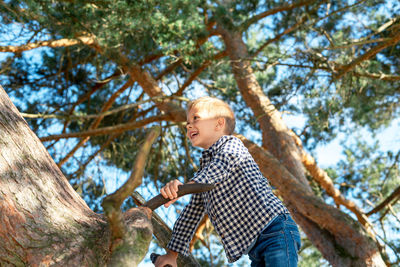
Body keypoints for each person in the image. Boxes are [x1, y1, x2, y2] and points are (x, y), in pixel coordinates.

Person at [155, 96, 301, 267]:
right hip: (255, 248)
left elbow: (221, 166)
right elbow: (191, 215)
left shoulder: (232, 145)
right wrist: (172, 255)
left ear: (218, 124)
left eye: (196, 118)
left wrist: (184, 188)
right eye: (187, 122)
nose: (188, 125)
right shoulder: (204, 172)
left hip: (276, 231)